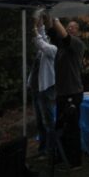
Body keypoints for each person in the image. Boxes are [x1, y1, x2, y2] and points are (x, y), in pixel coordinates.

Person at [47, 17, 85, 169]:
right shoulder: (60, 47)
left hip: (73, 93)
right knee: (60, 126)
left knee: (72, 128)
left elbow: (64, 35)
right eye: (68, 26)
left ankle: (75, 161)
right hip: (61, 93)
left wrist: (55, 18)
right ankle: (62, 156)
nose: (70, 28)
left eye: (73, 27)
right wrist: (47, 16)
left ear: (78, 32)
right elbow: (52, 31)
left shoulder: (77, 44)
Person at [28, 10, 57, 158]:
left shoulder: (53, 49)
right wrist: (40, 23)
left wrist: (34, 28)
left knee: (48, 122)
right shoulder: (46, 47)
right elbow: (42, 36)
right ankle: (42, 149)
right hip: (36, 88)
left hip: (46, 89)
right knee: (40, 121)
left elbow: (41, 43)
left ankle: (51, 150)